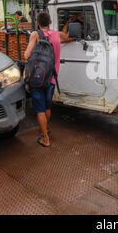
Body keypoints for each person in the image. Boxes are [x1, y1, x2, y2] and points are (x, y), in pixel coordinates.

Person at [24, 12, 76, 147]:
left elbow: (26, 55)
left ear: (37, 23)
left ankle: (45, 138)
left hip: (37, 78)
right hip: (52, 78)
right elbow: (70, 37)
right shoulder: (57, 35)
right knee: (47, 107)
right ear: (50, 22)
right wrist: (69, 23)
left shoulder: (35, 35)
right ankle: (45, 128)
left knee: (39, 110)